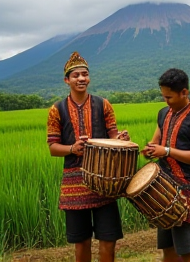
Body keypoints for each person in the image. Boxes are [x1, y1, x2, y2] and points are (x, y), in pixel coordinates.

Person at [46, 51, 129, 262]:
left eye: (85, 74)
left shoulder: (103, 104)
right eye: (76, 75)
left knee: (108, 240)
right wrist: (72, 148)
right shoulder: (57, 110)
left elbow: (113, 137)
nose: (81, 78)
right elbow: (53, 148)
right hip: (74, 185)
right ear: (67, 80)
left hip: (104, 181)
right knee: (81, 243)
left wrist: (121, 138)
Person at [142, 68, 190, 262]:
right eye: (164, 97)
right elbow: (155, 143)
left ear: (184, 92)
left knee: (188, 251)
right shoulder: (164, 113)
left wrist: (166, 151)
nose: (166, 101)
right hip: (163, 189)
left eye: (169, 97)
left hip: (186, 190)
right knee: (168, 249)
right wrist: (150, 150)